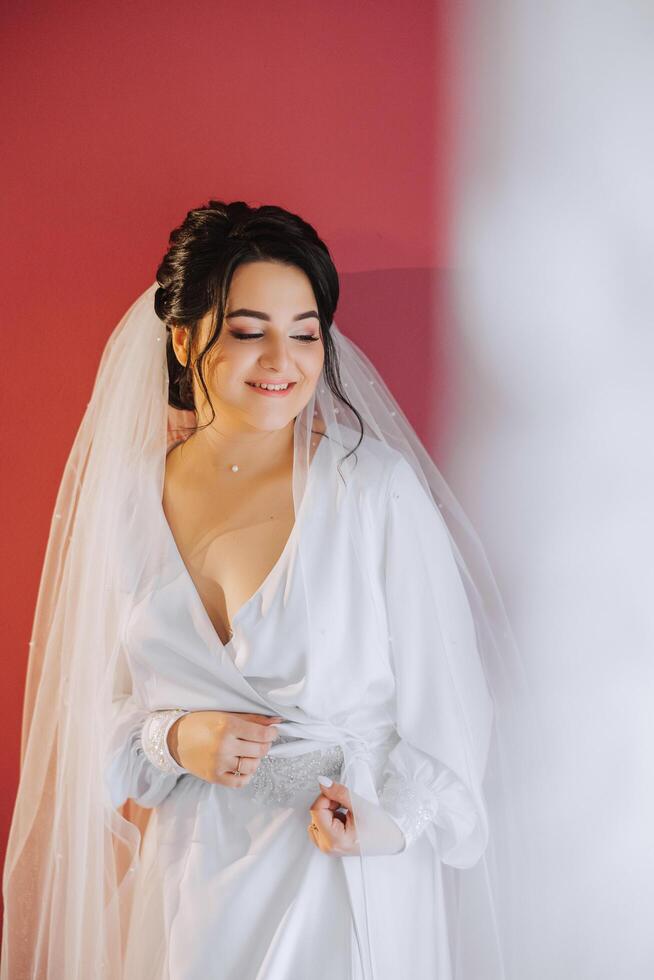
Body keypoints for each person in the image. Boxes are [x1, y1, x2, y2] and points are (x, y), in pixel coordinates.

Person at [1, 201, 533, 979]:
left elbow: (451, 704)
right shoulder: (125, 502)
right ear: (183, 339)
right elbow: (87, 717)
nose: (282, 359)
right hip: (195, 882)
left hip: (341, 874)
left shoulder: (371, 493)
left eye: (306, 332)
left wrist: (387, 826)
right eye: (249, 331)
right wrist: (176, 739)